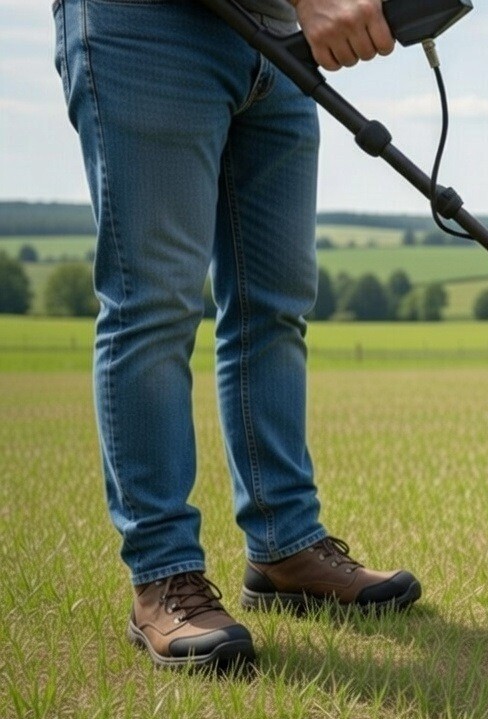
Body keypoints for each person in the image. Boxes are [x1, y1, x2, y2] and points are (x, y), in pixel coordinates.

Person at [53, 0, 420, 670]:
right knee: (155, 304)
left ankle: (286, 548)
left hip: (275, 41)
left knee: (274, 309)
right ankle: (164, 576)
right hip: (146, 24)